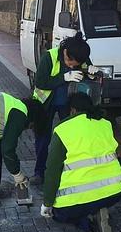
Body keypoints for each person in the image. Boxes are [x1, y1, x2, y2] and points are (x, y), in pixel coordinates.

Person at [40, 93, 121, 232]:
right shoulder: (105, 123)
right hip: (115, 191)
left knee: (59, 214)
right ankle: (98, 208)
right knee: (94, 201)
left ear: (72, 110)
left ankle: (91, 223)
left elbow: (52, 170)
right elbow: (116, 152)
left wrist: (47, 203)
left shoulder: (62, 129)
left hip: (81, 197)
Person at [31, 32, 98, 185]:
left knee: (71, 137)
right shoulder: (49, 57)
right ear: (65, 52)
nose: (72, 65)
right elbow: (40, 82)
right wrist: (64, 77)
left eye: (75, 64)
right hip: (45, 103)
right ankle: (39, 172)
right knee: (43, 138)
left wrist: (91, 74)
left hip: (67, 104)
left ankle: (69, 170)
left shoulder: (80, 57)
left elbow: (87, 70)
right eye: (70, 61)